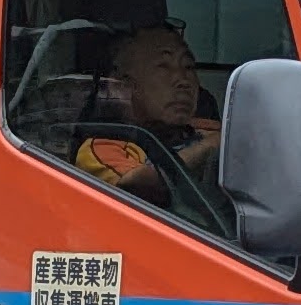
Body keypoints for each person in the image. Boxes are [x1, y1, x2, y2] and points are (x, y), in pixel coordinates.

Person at [73, 23, 223, 213]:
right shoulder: (105, 147)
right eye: (163, 66)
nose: (183, 81)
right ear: (121, 85)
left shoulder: (210, 130)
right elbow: (139, 187)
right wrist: (213, 146)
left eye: (188, 66)